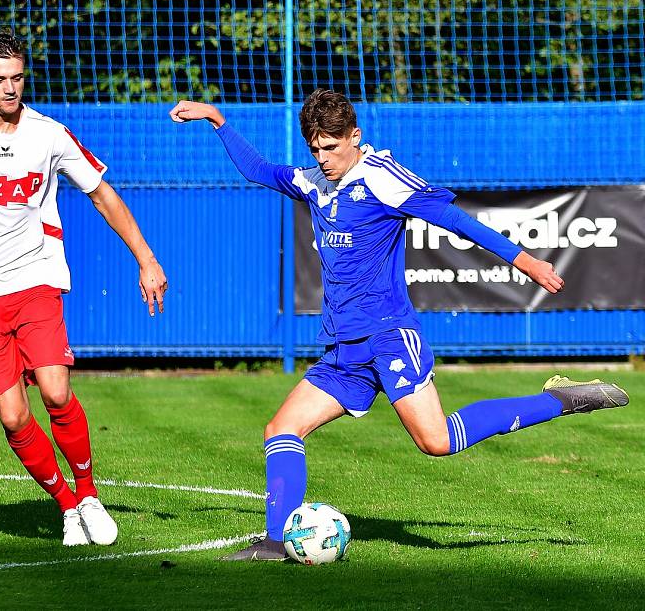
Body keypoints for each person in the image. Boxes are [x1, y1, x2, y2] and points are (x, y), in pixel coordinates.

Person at [169, 90, 629, 561]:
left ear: (355, 137)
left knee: (437, 441)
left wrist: (524, 260)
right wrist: (217, 119)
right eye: (315, 149)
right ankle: (275, 542)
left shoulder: (383, 180)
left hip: (390, 335)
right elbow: (259, 171)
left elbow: (455, 221)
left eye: (331, 147)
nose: (323, 159)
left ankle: (558, 400)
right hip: (344, 349)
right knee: (280, 429)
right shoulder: (313, 182)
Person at [0, 30, 168, 546]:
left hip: (35, 279)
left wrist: (146, 258)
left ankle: (88, 494)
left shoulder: (48, 134)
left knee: (55, 390)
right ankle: (67, 507)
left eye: (17, 78)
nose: (9, 88)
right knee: (12, 414)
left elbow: (101, 193)